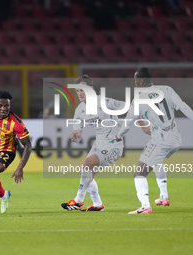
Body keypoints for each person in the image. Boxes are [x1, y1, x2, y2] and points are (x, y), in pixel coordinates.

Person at [116, 67, 193, 214]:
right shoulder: (167, 89)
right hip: (175, 137)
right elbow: (183, 107)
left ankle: (145, 206)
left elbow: (129, 121)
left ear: (141, 81)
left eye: (135, 81)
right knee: (156, 160)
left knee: (139, 173)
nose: (134, 84)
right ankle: (163, 196)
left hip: (161, 139)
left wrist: (119, 135)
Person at [61, 75, 125, 212]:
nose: (80, 94)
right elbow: (78, 136)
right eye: (77, 91)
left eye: (82, 90)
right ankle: (98, 205)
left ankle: (78, 201)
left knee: (86, 165)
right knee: (87, 175)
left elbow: (132, 108)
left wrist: (143, 124)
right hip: (99, 144)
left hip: (113, 145)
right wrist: (75, 136)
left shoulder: (104, 102)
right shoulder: (80, 110)